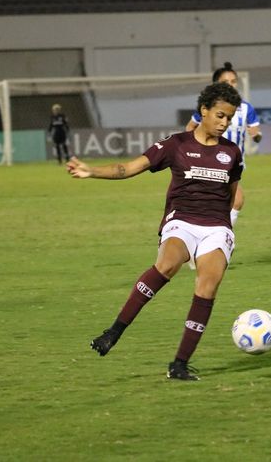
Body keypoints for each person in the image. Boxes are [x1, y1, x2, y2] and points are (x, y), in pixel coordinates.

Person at [68, 82, 243, 380]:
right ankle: (114, 332)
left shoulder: (232, 152)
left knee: (207, 287)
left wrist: (223, 227)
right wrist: (91, 171)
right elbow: (128, 168)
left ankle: (179, 365)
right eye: (220, 115)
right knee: (167, 264)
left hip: (216, 226)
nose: (225, 122)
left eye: (229, 117)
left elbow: (233, 194)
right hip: (182, 221)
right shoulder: (176, 144)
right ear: (204, 111)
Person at [186, 62, 261, 227]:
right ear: (216, 84)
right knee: (236, 200)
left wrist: (256, 136)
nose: (231, 85)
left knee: (226, 202)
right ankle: (221, 237)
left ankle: (212, 236)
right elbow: (190, 127)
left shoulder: (245, 108)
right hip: (211, 159)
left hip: (233, 163)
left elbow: (256, 131)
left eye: (234, 81)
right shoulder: (209, 107)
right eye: (226, 82)